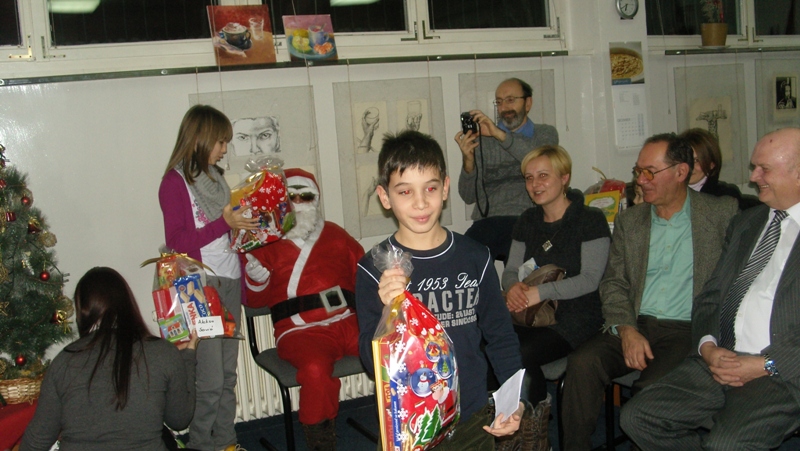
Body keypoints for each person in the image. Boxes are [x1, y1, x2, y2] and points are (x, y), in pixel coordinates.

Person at [621, 128, 800, 450]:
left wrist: (765, 363)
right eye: (754, 167)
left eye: (764, 169)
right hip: (721, 356)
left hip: (782, 370)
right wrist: (707, 345)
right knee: (637, 417)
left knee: (725, 444)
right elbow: (711, 296)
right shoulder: (747, 223)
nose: (753, 177)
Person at [560, 133, 738, 450]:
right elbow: (614, 282)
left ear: (681, 172)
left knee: (648, 394)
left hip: (687, 330)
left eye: (650, 172)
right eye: (638, 171)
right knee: (582, 364)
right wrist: (626, 329)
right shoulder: (631, 221)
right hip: (636, 322)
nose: (640, 180)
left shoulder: (720, 214)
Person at [356, 130, 525, 450]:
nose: (420, 202)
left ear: (445, 188)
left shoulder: (476, 257)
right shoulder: (374, 269)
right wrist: (389, 313)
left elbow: (501, 334)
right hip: (408, 422)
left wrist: (514, 399)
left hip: (472, 415)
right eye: (405, 191)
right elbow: (370, 359)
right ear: (385, 197)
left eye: (430, 188)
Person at [158, 104, 258, 451]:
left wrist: (246, 233)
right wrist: (224, 224)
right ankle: (201, 445)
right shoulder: (174, 183)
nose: (224, 149)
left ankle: (227, 442)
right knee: (211, 380)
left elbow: (224, 234)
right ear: (201, 139)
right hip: (201, 288)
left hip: (229, 281)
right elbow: (177, 243)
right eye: (221, 141)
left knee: (228, 377)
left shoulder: (216, 179)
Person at [242, 168, 363, 451]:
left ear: (315, 199)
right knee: (314, 370)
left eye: (305, 196)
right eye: (291, 196)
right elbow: (254, 302)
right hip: (299, 331)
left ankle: (406, 419)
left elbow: (364, 276)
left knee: (392, 348)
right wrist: (256, 280)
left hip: (348, 321)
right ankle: (321, 442)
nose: (298, 202)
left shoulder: (335, 234)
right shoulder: (266, 241)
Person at [20, 267, 199, 451]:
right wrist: (187, 358)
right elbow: (179, 419)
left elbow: (35, 442)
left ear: (83, 310)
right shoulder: (163, 353)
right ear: (128, 303)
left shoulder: (64, 361)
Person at [502, 145, 610, 447]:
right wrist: (513, 287)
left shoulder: (590, 219)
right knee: (493, 342)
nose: (535, 184)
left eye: (543, 176)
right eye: (529, 178)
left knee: (519, 353)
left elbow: (590, 280)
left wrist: (539, 292)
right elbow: (510, 269)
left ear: (564, 178)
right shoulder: (527, 220)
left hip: (577, 315)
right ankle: (514, 428)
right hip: (530, 312)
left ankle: (533, 436)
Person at [454, 78, 559, 263]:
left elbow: (539, 162)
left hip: (527, 217)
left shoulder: (545, 134)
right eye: (499, 102)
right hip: (488, 221)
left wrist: (498, 134)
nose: (504, 108)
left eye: (510, 100)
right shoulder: (482, 141)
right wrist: (468, 162)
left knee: (521, 264)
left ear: (528, 103)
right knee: (462, 260)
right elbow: (468, 196)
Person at [679, 127, 760, 210]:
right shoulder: (672, 193)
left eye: (697, 160)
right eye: (685, 159)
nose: (689, 166)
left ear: (712, 164)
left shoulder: (725, 196)